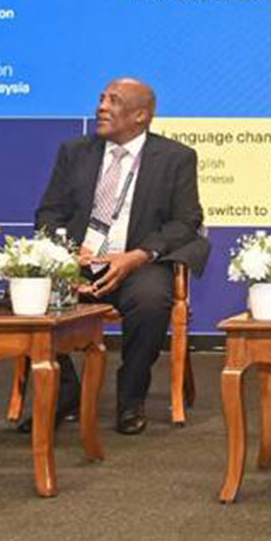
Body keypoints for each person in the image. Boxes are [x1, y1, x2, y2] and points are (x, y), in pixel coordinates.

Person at [33, 78, 205, 434]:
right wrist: (65, 255)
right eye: (100, 98)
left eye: (114, 100)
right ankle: (66, 391)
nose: (101, 107)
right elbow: (49, 212)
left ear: (141, 115)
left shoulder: (175, 158)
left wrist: (137, 256)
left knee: (150, 301)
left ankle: (131, 396)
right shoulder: (74, 151)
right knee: (29, 297)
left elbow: (186, 221)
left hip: (137, 263)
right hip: (77, 263)